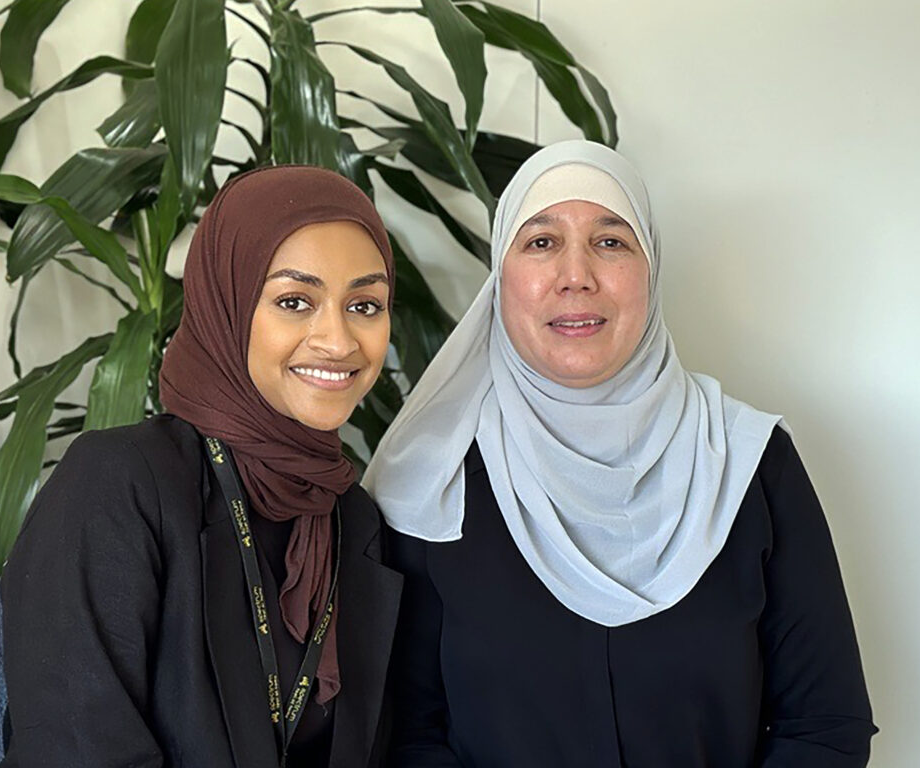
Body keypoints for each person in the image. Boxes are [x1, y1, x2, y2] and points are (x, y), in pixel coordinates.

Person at [364, 141, 876, 766]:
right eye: (541, 242)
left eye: (610, 241)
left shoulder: (750, 464)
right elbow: (406, 735)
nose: (576, 274)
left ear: (651, 270)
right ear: (501, 277)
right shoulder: (431, 482)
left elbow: (825, 725)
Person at [0, 166, 403, 768]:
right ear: (227, 306)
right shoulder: (116, 484)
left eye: (364, 305)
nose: (339, 340)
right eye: (295, 302)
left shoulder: (355, 519)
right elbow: (75, 748)